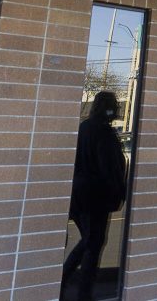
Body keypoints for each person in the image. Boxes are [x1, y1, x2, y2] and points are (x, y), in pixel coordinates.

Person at [62, 91, 127, 300]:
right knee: (93, 242)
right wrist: (118, 191)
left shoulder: (85, 128)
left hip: (80, 195)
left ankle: (67, 282)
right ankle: (82, 291)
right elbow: (109, 167)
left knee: (90, 240)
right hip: (97, 197)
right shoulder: (103, 133)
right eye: (113, 106)